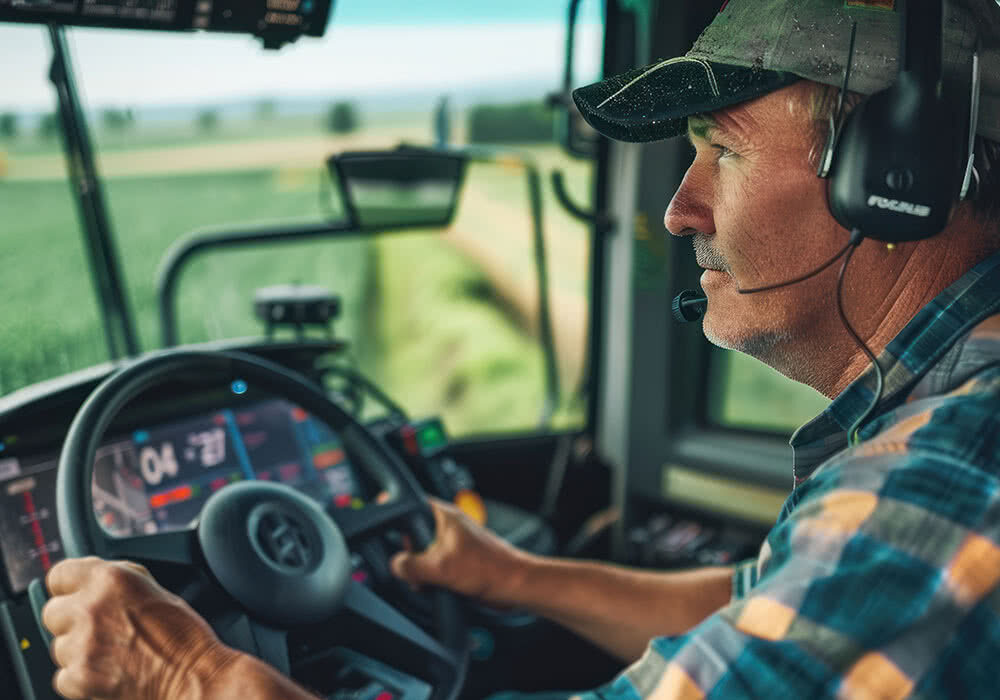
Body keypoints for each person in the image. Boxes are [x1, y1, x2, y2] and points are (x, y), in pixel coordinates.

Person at [41, 0, 1000, 698]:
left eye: (727, 149)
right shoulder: (921, 448)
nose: (678, 209)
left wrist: (187, 674)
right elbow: (769, 609)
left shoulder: (941, 486)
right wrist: (506, 576)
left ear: (894, 177)